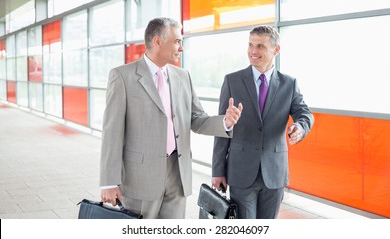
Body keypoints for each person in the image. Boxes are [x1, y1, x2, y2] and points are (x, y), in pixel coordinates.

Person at [100, 17, 243, 219]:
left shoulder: (183, 76)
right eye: (177, 41)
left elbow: (197, 119)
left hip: (177, 176)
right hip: (139, 178)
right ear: (157, 41)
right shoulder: (123, 77)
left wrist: (225, 122)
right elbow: (112, 132)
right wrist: (109, 181)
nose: (181, 48)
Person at [212, 25, 314, 219]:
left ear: (276, 50)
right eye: (250, 44)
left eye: (260, 46)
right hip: (241, 171)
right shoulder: (232, 81)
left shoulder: (289, 84)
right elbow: (221, 128)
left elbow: (305, 114)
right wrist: (218, 170)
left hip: (274, 172)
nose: (253, 51)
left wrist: (299, 127)